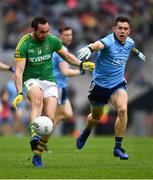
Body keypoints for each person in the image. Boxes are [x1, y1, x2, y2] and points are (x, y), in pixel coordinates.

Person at [12, 16, 95, 167]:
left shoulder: (52, 40)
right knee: (37, 101)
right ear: (34, 30)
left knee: (50, 120)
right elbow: (19, 71)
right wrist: (19, 92)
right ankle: (34, 136)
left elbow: (68, 56)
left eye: (47, 31)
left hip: (49, 81)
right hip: (31, 80)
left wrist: (82, 65)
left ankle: (38, 154)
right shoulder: (23, 45)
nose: (45, 34)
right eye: (42, 32)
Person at [76, 16, 146, 160]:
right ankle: (86, 131)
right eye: (119, 28)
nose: (122, 31)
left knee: (122, 109)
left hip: (117, 84)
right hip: (99, 86)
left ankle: (118, 147)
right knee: (95, 117)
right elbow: (99, 44)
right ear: (114, 29)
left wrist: (137, 52)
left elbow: (130, 48)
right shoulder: (109, 40)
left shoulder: (130, 42)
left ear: (129, 31)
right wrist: (90, 48)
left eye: (125, 29)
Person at [53, 26, 85, 126]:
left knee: (68, 114)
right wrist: (80, 72)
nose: (69, 37)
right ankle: (41, 139)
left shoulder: (55, 47)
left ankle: (42, 133)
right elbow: (65, 72)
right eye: (66, 35)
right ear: (60, 36)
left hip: (59, 86)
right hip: (57, 86)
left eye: (70, 35)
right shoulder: (62, 50)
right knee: (55, 116)